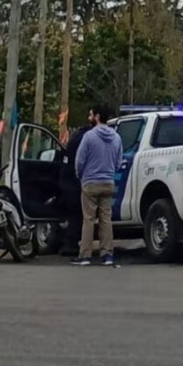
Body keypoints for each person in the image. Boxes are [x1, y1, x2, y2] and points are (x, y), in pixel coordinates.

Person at [71, 105, 122, 266]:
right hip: (108, 182)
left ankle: (85, 255)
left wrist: (80, 176)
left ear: (98, 116)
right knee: (106, 220)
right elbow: (119, 162)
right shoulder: (116, 137)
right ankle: (107, 254)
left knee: (88, 219)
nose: (89, 117)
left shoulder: (89, 136)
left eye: (91, 114)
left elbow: (80, 160)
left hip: (90, 182)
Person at [56, 124, 92, 256]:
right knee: (84, 215)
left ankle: (71, 244)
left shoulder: (79, 137)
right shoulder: (89, 137)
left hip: (70, 180)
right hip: (80, 181)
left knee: (75, 215)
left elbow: (77, 161)